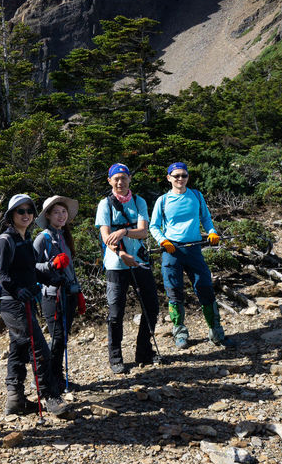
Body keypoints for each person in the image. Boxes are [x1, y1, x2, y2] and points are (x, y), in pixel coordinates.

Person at [0, 193, 70, 417]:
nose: (26, 215)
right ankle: (50, 397)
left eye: (29, 210)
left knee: (18, 349)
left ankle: (15, 399)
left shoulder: (24, 239)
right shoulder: (5, 241)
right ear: (11, 215)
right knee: (39, 349)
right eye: (20, 211)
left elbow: (31, 270)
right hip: (13, 304)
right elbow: (2, 276)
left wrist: (52, 278)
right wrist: (17, 290)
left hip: (23, 301)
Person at [149, 161, 234, 349]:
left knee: (205, 288)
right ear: (169, 178)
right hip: (171, 251)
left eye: (184, 175)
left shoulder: (196, 195)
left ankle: (216, 333)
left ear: (188, 177)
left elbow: (206, 218)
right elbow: (154, 226)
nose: (180, 179)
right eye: (176, 175)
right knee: (174, 292)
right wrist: (163, 241)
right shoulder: (162, 201)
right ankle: (180, 334)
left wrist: (212, 231)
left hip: (194, 249)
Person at [95, 163, 159, 374]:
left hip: (140, 261)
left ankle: (144, 352)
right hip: (115, 264)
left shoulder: (139, 201)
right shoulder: (105, 204)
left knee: (151, 307)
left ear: (130, 178)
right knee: (115, 312)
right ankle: (115, 357)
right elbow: (105, 237)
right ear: (110, 181)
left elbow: (143, 232)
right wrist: (121, 254)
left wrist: (123, 231)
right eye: (116, 179)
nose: (120, 182)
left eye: (124, 178)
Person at [33, 195, 85, 392]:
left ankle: (56, 377)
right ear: (48, 215)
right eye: (57, 212)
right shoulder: (42, 238)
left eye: (63, 212)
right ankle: (48, 380)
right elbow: (30, 266)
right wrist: (51, 265)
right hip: (52, 295)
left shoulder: (63, 236)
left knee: (62, 339)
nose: (61, 215)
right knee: (57, 338)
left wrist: (78, 291)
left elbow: (70, 269)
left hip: (69, 293)